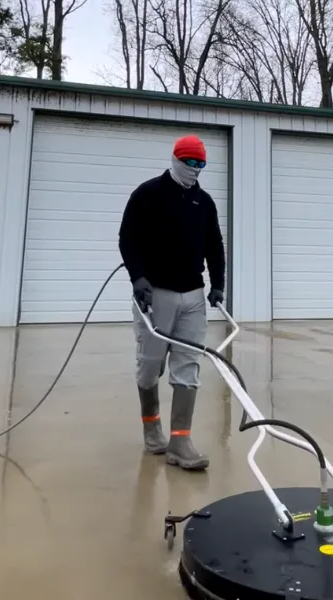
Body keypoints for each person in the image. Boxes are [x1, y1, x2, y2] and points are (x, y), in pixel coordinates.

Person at [118, 135, 225, 471]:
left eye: (201, 164)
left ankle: (180, 442)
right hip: (156, 295)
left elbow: (215, 247)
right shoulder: (148, 194)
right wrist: (138, 278)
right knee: (150, 366)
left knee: (188, 367)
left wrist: (218, 285)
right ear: (176, 159)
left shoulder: (204, 203)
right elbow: (128, 238)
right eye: (190, 162)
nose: (195, 169)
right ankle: (153, 431)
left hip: (193, 296)